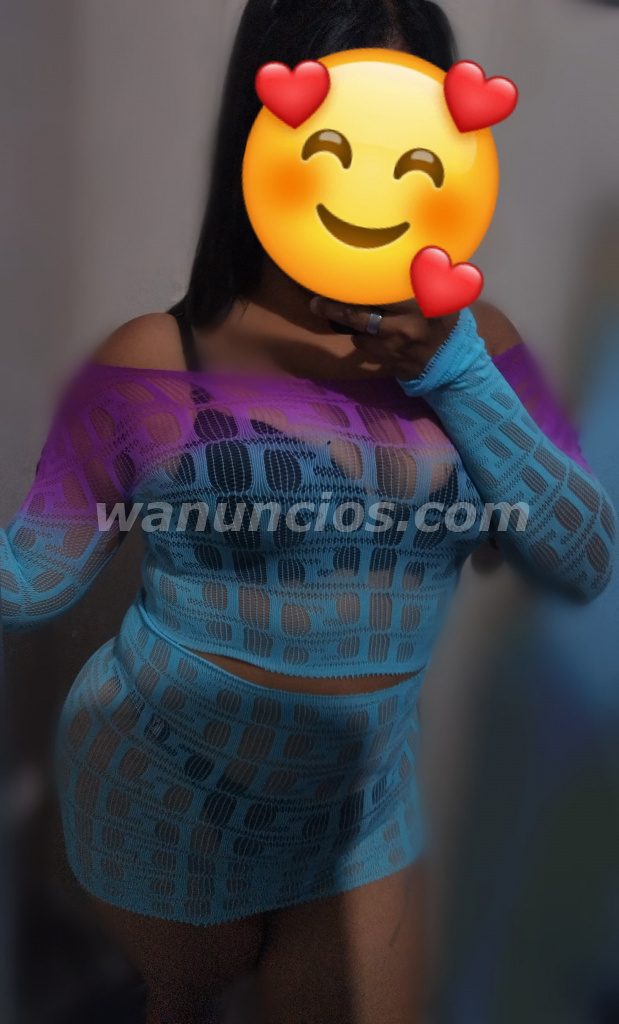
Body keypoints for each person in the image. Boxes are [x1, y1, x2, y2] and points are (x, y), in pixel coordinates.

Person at [1, 2, 615, 1022]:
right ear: (267, 132)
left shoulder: (482, 350)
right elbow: (28, 580)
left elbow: (583, 556)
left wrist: (456, 372)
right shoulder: (154, 358)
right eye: (337, 140)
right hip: (165, 794)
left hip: (364, 815)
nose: (371, 180)